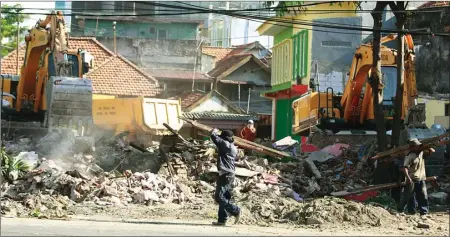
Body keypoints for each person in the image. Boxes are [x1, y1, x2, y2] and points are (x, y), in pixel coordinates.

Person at [210, 128, 241, 226]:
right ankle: (222, 220)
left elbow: (214, 137)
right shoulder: (232, 146)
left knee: (219, 197)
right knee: (224, 197)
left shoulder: (226, 145)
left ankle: (236, 210)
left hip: (226, 173)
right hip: (229, 173)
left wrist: (214, 131)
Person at [398, 138, 435, 217]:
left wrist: (427, 146)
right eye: (416, 146)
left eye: (419, 146)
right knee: (409, 196)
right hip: (412, 179)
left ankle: (424, 212)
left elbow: (432, 151)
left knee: (423, 196)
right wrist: (408, 178)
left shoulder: (421, 153)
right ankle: (407, 211)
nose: (418, 147)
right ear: (412, 147)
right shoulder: (409, 156)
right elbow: (405, 168)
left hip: (421, 178)